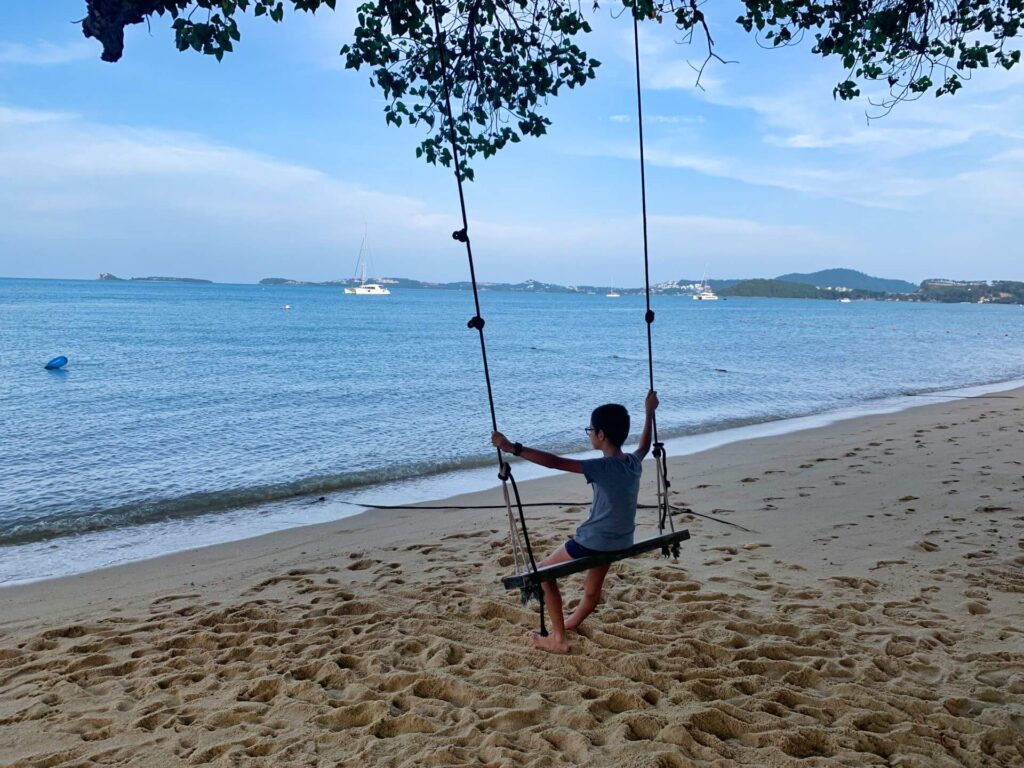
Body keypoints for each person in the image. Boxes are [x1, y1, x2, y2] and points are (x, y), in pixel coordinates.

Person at [491, 390, 659, 653]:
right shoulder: (632, 464)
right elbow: (644, 446)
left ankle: (558, 639)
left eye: (590, 430)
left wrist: (513, 448)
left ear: (601, 435)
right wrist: (649, 411)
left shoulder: (602, 467)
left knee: (543, 573)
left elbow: (556, 462)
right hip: (621, 540)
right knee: (591, 590)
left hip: (596, 541)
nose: (589, 433)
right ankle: (570, 623)